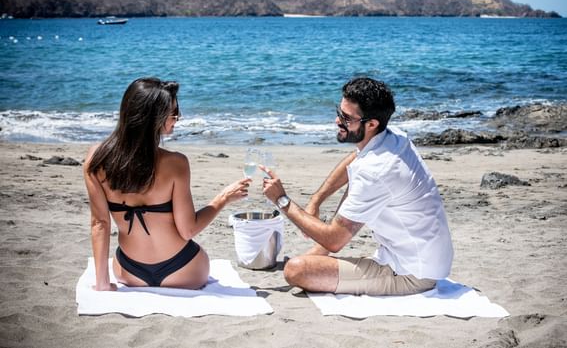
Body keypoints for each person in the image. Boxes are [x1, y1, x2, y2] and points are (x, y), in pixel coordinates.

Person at [261, 77, 453, 296]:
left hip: (412, 274)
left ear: (372, 124)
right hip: (423, 257)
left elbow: (334, 241)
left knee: (296, 270)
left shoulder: (376, 171)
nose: (337, 121)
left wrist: (282, 200)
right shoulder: (393, 137)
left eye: (346, 118)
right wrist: (316, 200)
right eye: (339, 112)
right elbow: (355, 159)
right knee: (313, 254)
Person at [84, 77, 250, 291]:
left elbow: (100, 224)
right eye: (174, 113)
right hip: (184, 271)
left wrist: (102, 284)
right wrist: (223, 198)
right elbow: (188, 230)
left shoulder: (96, 159)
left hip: (129, 272)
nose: (178, 118)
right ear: (153, 118)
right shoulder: (176, 163)